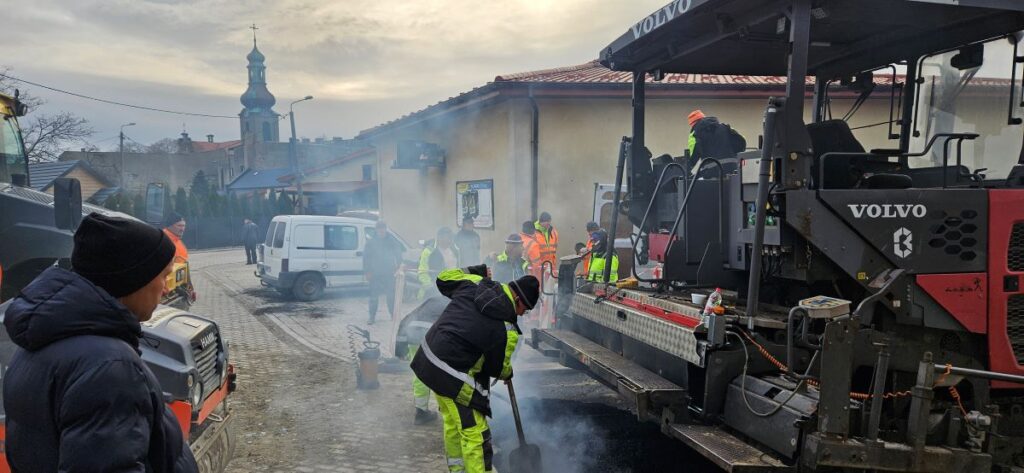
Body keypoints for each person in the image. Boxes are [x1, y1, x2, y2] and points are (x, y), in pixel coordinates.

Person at [3, 213, 199, 472]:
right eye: (163, 276)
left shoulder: (41, 338)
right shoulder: (108, 366)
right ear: (132, 278)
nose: (165, 289)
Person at [410, 268, 540, 473]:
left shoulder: (476, 282)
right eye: (526, 309)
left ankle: (457, 469)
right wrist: (507, 374)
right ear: (518, 299)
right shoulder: (508, 327)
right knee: (476, 434)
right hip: (450, 372)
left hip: (428, 359)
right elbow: (499, 368)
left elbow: (444, 278)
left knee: (454, 424)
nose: (523, 314)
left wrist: (475, 270)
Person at [363, 220, 404, 325]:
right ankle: (372, 317)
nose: (381, 231)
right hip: (375, 273)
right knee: (373, 296)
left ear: (385, 229)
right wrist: (367, 272)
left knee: (391, 296)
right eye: (379, 229)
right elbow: (366, 258)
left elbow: (398, 254)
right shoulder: (371, 242)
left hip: (389, 273)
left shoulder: (391, 241)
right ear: (376, 230)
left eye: (383, 228)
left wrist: (399, 266)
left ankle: (393, 315)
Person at [418, 227, 460, 299]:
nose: (450, 241)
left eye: (451, 238)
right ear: (439, 238)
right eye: (448, 238)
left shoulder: (455, 250)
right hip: (432, 293)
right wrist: (431, 288)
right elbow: (422, 272)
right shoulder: (429, 251)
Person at [533, 212, 559, 278]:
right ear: (541, 222)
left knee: (550, 287)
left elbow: (554, 250)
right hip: (539, 268)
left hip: (551, 267)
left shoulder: (554, 232)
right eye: (546, 221)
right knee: (540, 286)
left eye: (549, 221)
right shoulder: (533, 233)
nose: (549, 223)